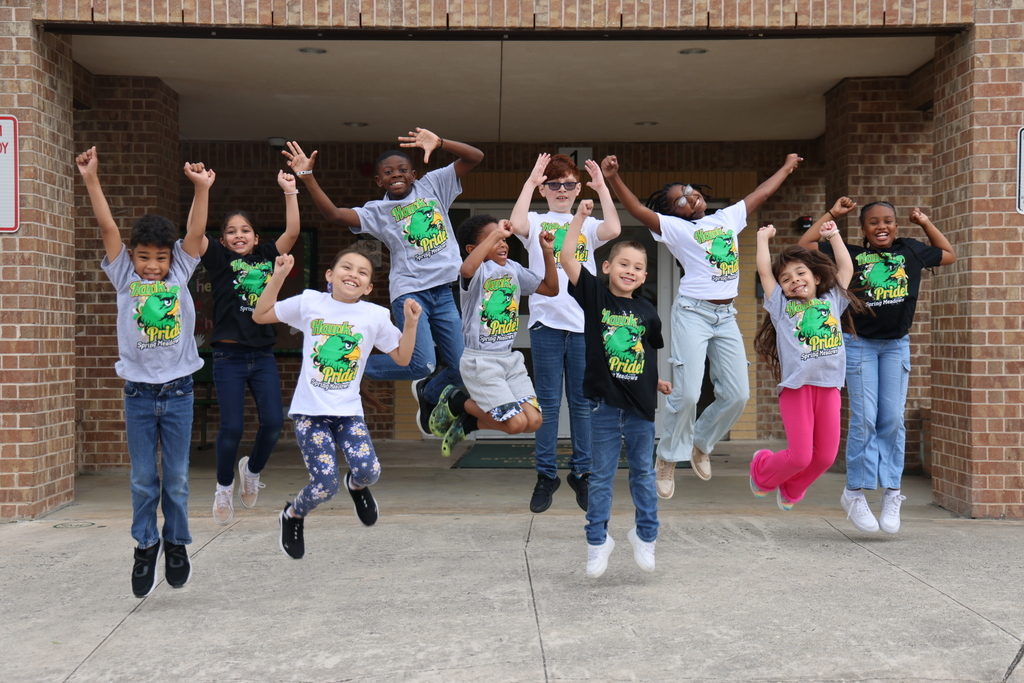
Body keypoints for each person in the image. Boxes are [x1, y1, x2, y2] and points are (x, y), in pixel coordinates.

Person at [601, 153, 803, 498]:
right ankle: (666, 458)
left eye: (691, 191)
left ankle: (701, 443)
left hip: (726, 317)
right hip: (693, 314)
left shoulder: (726, 217)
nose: (691, 198)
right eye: (680, 200)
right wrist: (614, 178)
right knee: (689, 392)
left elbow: (762, 194)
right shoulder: (677, 230)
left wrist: (785, 168)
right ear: (672, 213)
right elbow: (636, 210)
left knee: (739, 393)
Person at [282, 129, 484, 434]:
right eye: (388, 173)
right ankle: (359, 368)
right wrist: (308, 177)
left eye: (403, 170)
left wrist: (440, 143)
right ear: (379, 181)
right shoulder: (378, 212)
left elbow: (475, 157)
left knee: (461, 368)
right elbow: (335, 214)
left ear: (415, 175)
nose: (397, 175)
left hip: (444, 292)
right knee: (423, 365)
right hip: (411, 293)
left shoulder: (434, 185)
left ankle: (428, 394)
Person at [76, 147, 212, 597]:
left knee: (174, 477)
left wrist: (201, 188)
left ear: (172, 259)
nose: (152, 266)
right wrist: (92, 180)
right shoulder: (123, 276)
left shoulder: (179, 273)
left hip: (178, 393)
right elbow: (108, 227)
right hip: (137, 393)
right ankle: (145, 545)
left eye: (160, 258)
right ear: (132, 257)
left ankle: (176, 544)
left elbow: (195, 231)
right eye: (144, 257)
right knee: (142, 479)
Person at [798, 198, 956, 533]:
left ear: (896, 225)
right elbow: (806, 244)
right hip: (860, 345)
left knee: (892, 420)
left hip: (897, 345)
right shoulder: (851, 254)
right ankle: (854, 493)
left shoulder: (911, 250)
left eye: (888, 221)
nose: (881, 227)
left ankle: (892, 493)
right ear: (864, 229)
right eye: (873, 222)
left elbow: (948, 253)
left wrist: (925, 222)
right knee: (866, 419)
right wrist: (832, 215)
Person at [252, 248, 420, 559]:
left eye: (362, 272)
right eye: (346, 267)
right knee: (325, 486)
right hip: (310, 414)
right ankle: (293, 515)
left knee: (369, 472)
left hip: (348, 414)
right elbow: (261, 314)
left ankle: (356, 487)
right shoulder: (310, 302)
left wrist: (410, 325)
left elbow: (402, 357)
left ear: (369, 287)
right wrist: (277, 277)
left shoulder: (375, 316)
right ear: (330, 276)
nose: (353, 274)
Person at [559, 199, 671, 578]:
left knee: (642, 474)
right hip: (604, 407)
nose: (631, 271)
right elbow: (567, 257)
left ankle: (646, 537)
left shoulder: (648, 314)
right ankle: (596, 543)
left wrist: (654, 379)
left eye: (638, 268)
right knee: (601, 476)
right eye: (623, 263)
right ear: (606, 267)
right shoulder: (596, 297)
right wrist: (579, 218)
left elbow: (646, 353)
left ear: (643, 278)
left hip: (641, 408)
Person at [509, 154, 622, 514]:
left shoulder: (585, 224)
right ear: (544, 189)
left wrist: (602, 187)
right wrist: (530, 180)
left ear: (577, 189)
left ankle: (582, 473)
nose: (562, 190)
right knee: (547, 404)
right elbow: (515, 222)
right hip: (546, 325)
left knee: (583, 405)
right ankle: (546, 475)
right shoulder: (538, 220)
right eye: (554, 185)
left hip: (583, 325)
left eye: (569, 184)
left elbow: (615, 230)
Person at [199, 171, 299, 525]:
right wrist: (203, 189)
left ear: (256, 238)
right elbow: (195, 235)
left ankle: (252, 471)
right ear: (223, 241)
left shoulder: (269, 256)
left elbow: (292, 233)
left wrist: (290, 191)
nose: (238, 235)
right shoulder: (219, 262)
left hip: (262, 355)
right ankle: (224, 487)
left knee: (273, 421)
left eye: (244, 230)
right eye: (230, 231)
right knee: (232, 427)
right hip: (228, 356)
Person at [750, 222, 861, 510]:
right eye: (786, 279)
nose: (794, 280)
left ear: (816, 277)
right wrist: (762, 239)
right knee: (800, 456)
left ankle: (792, 488)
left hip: (829, 388)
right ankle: (762, 469)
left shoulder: (832, 300)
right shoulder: (781, 308)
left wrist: (835, 236)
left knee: (824, 457)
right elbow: (764, 271)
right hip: (797, 389)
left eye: (801, 274)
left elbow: (846, 270)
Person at [427, 216, 559, 457]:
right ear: (472, 249)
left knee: (534, 421)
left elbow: (551, 288)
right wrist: (498, 233)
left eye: (504, 239)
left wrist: (548, 252)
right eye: (493, 238)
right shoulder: (477, 273)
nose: (502, 243)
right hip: (481, 363)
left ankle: (467, 423)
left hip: (510, 361)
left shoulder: (514, 269)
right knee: (516, 424)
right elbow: (466, 268)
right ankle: (457, 401)